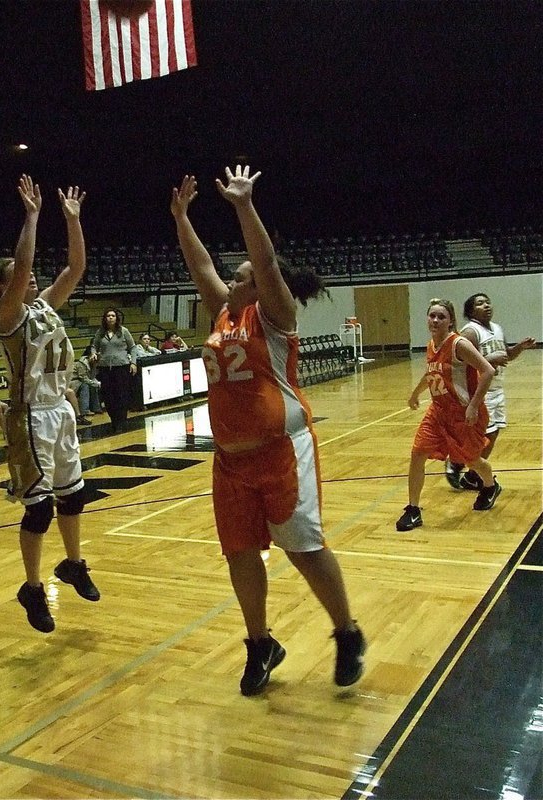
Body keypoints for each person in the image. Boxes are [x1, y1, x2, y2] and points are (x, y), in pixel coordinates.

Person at [171, 166, 365, 696]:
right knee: (240, 553)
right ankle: (260, 644)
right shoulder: (222, 314)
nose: (231, 283)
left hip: (282, 450)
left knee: (303, 550)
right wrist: (181, 218)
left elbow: (261, 264)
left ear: (261, 282)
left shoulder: (274, 315)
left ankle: (346, 631)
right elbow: (201, 264)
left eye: (242, 278)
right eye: (232, 279)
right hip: (230, 460)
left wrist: (243, 206)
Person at [0, 174, 99, 633]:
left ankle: (74, 564)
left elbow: (75, 268)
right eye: (20, 278)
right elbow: (24, 265)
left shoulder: (44, 306)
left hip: (58, 410)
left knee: (74, 496)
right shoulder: (10, 314)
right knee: (39, 508)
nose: (31, 277)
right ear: (5, 288)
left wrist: (73, 221)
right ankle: (33, 588)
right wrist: (32, 216)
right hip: (30, 418)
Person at [396, 298, 501, 533]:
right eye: (432, 315)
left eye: (441, 316)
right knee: (417, 453)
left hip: (463, 413)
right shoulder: (431, 345)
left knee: (472, 461)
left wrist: (474, 405)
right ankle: (413, 509)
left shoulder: (458, 344)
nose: (435, 320)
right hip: (438, 412)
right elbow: (431, 374)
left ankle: (490, 485)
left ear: (451, 320)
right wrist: (415, 394)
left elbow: (487, 371)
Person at [444, 292, 536, 491]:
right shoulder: (470, 332)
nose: (486, 305)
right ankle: (457, 461)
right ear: (470, 311)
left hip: (497, 390)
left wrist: (520, 347)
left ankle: (471, 474)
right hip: (480, 391)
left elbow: (506, 355)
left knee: (493, 434)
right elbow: (465, 364)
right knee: (481, 436)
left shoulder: (497, 329)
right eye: (480, 303)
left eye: (487, 302)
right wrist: (491, 361)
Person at [90, 308, 137, 433]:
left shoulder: (123, 331)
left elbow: (132, 347)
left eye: (113, 316)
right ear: (105, 318)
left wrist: (133, 362)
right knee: (108, 395)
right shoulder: (101, 332)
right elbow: (94, 345)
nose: (110, 318)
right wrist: (93, 354)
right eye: (108, 316)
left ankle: (121, 421)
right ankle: (113, 420)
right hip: (105, 367)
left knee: (121, 395)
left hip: (121, 367)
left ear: (117, 318)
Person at [69, 345, 103, 424]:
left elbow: (92, 377)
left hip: (80, 381)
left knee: (93, 385)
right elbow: (83, 378)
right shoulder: (81, 363)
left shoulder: (93, 364)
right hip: (73, 381)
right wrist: (96, 383)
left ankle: (96, 407)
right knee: (85, 385)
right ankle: (84, 410)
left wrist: (94, 366)